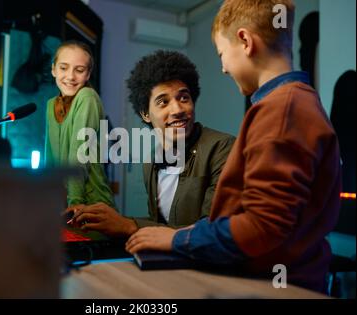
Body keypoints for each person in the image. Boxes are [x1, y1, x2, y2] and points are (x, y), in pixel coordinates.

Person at [126, 0, 341, 293]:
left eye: (222, 54)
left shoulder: (283, 110)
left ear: (245, 41)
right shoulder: (288, 104)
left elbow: (261, 227)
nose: (224, 68)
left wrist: (175, 239)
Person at [68, 50, 235, 237]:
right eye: (163, 102)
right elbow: (160, 225)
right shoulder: (151, 162)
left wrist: (128, 225)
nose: (178, 109)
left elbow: (213, 232)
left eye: (184, 98)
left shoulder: (223, 148)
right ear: (145, 114)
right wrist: (105, 219)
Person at [45, 40, 114, 207]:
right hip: (62, 202)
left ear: (88, 74)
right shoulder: (50, 104)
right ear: (53, 69)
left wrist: (74, 203)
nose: (70, 76)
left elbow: (79, 155)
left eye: (79, 70)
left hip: (89, 204)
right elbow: (50, 158)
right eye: (63, 67)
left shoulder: (87, 97)